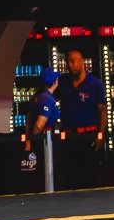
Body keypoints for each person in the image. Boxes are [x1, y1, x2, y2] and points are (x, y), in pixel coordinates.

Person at [25, 47, 105, 188]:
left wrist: (100, 134)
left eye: (73, 61)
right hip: (68, 137)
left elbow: (102, 111)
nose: (70, 65)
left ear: (82, 62)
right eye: (68, 61)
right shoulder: (63, 83)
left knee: (90, 177)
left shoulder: (95, 84)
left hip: (89, 136)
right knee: (70, 178)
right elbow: (44, 97)